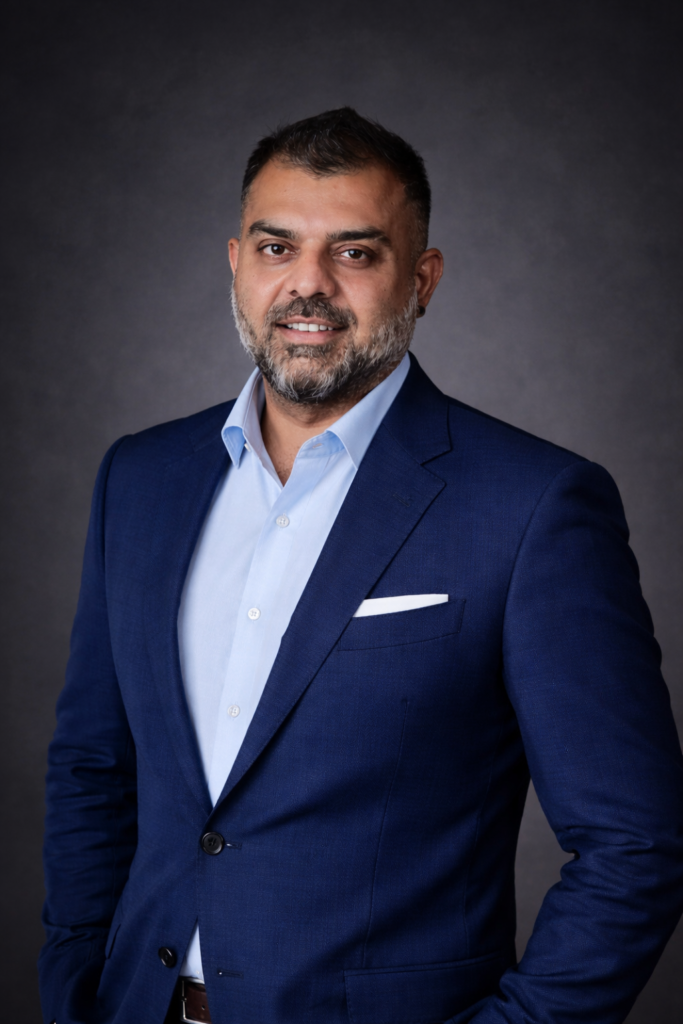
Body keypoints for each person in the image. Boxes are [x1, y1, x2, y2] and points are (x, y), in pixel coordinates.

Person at [40, 107, 683, 1024]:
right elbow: (93, 769)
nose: (307, 284)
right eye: (276, 248)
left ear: (421, 280)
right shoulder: (140, 479)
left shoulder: (533, 504)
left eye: (354, 252)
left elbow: (636, 844)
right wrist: (72, 986)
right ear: (236, 264)